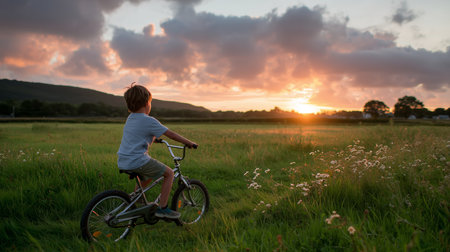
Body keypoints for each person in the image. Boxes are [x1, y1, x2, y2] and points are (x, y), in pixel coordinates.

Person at [117, 83, 197, 219]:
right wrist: (189, 143)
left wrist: (154, 139)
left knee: (149, 174)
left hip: (123, 160)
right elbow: (171, 134)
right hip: (137, 160)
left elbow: (138, 135)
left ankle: (138, 198)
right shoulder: (149, 120)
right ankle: (163, 208)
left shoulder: (130, 118)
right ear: (147, 104)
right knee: (169, 174)